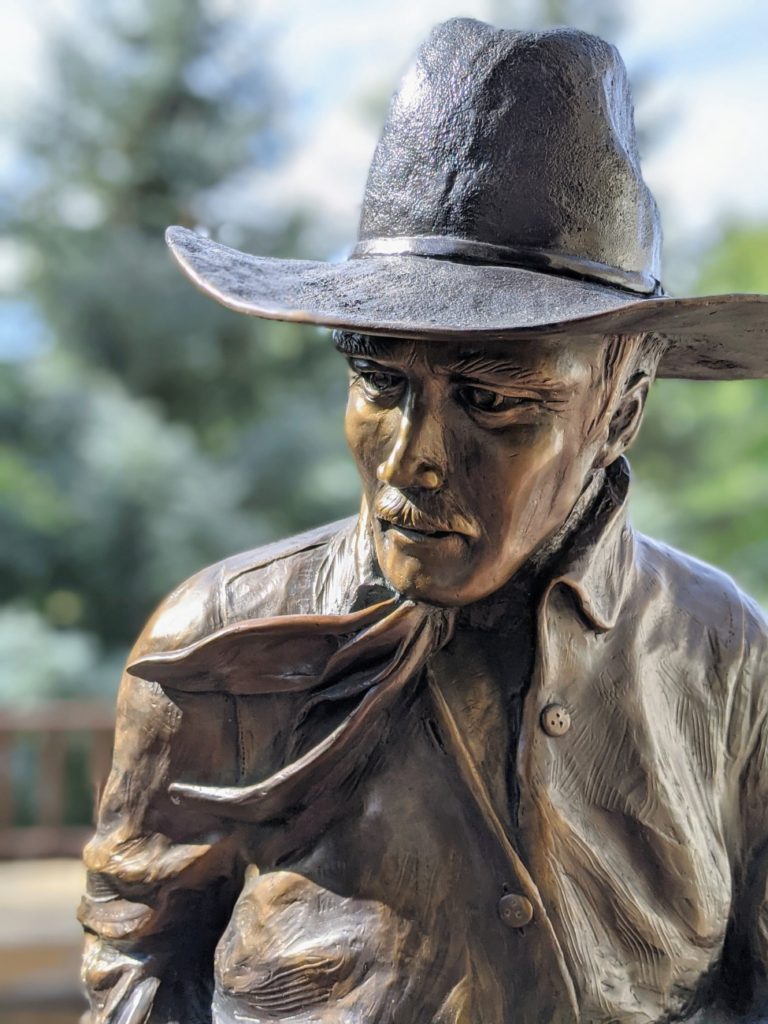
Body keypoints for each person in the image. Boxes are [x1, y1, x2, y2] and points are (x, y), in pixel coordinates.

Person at [79, 19, 768, 1024]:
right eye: (379, 379)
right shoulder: (214, 645)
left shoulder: (727, 654)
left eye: (493, 400)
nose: (413, 457)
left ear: (621, 406)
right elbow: (136, 958)